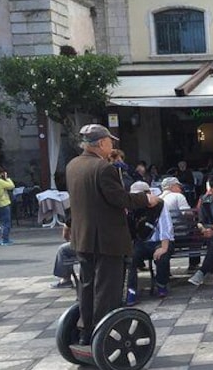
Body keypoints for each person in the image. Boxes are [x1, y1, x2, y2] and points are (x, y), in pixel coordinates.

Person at [66, 124, 158, 345]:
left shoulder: (73, 165)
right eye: (109, 142)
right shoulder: (103, 168)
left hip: (83, 238)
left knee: (87, 287)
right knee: (107, 290)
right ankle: (101, 335)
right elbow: (120, 199)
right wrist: (147, 199)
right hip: (106, 239)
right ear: (100, 143)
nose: (112, 145)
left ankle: (85, 331)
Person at [126, 181, 173, 304]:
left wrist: (163, 247)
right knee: (131, 259)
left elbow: (166, 227)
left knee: (161, 256)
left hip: (160, 241)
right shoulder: (131, 208)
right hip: (142, 242)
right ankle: (131, 290)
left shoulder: (160, 205)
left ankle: (161, 283)